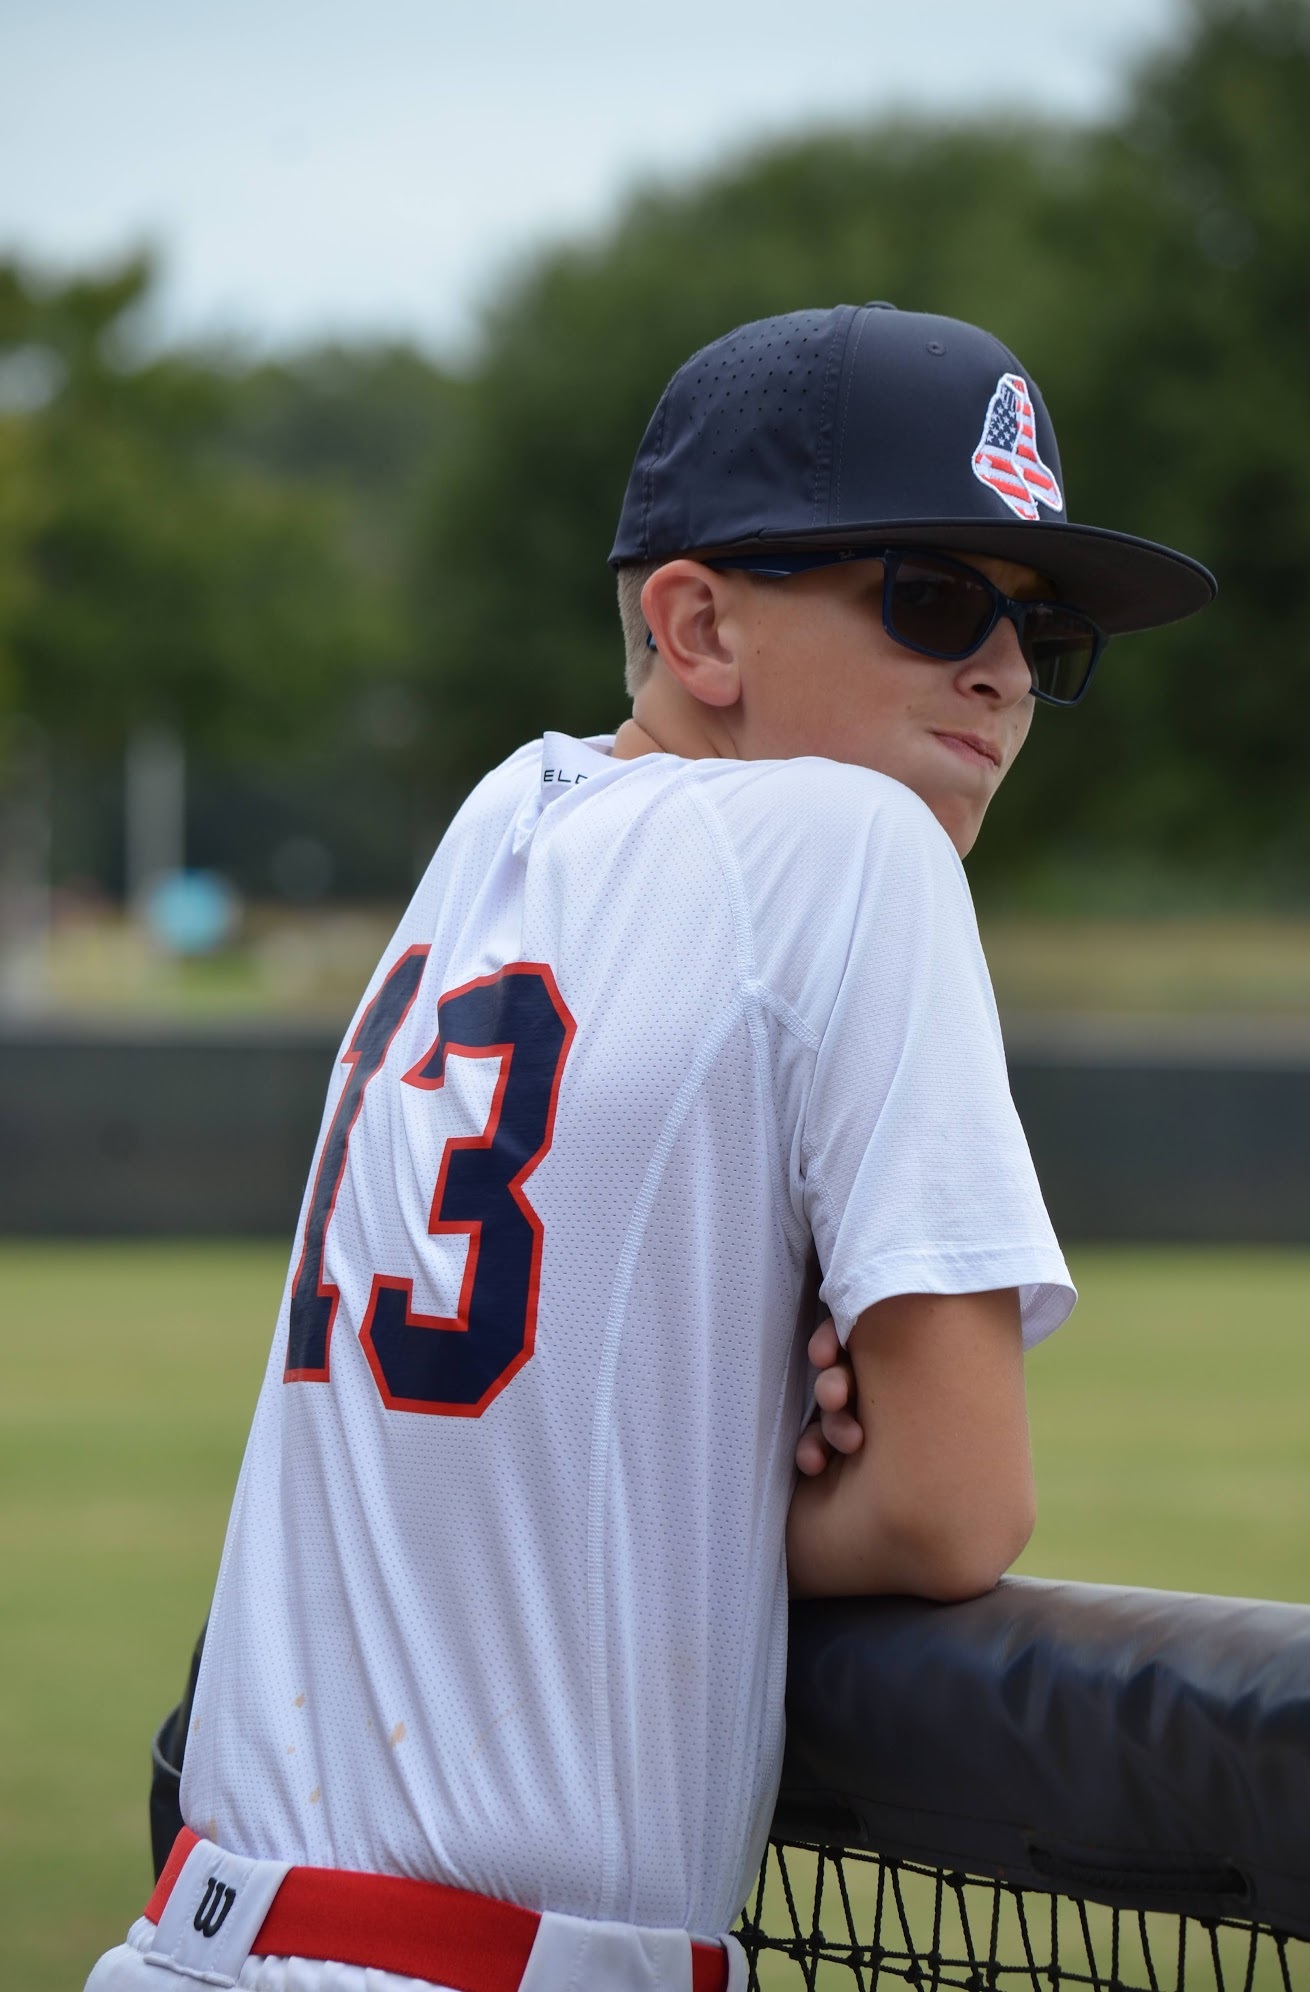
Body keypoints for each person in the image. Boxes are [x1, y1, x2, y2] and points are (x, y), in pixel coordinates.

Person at [86, 302, 1213, 1992]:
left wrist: (685, 1439)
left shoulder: (494, 823)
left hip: (196, 1931)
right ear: (696, 623)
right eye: (931, 598)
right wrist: (759, 1475)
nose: (998, 670)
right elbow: (953, 1511)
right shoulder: (859, 846)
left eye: (1042, 637)